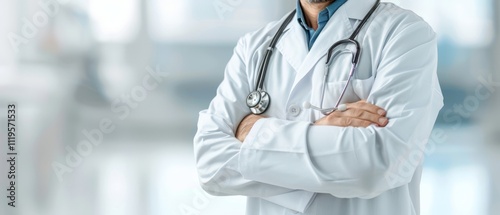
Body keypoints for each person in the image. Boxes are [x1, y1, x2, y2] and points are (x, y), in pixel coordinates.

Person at [194, 0, 443, 214]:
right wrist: (320, 131)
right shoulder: (254, 46)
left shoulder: (406, 34)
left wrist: (255, 132)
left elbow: (381, 164)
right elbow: (210, 164)